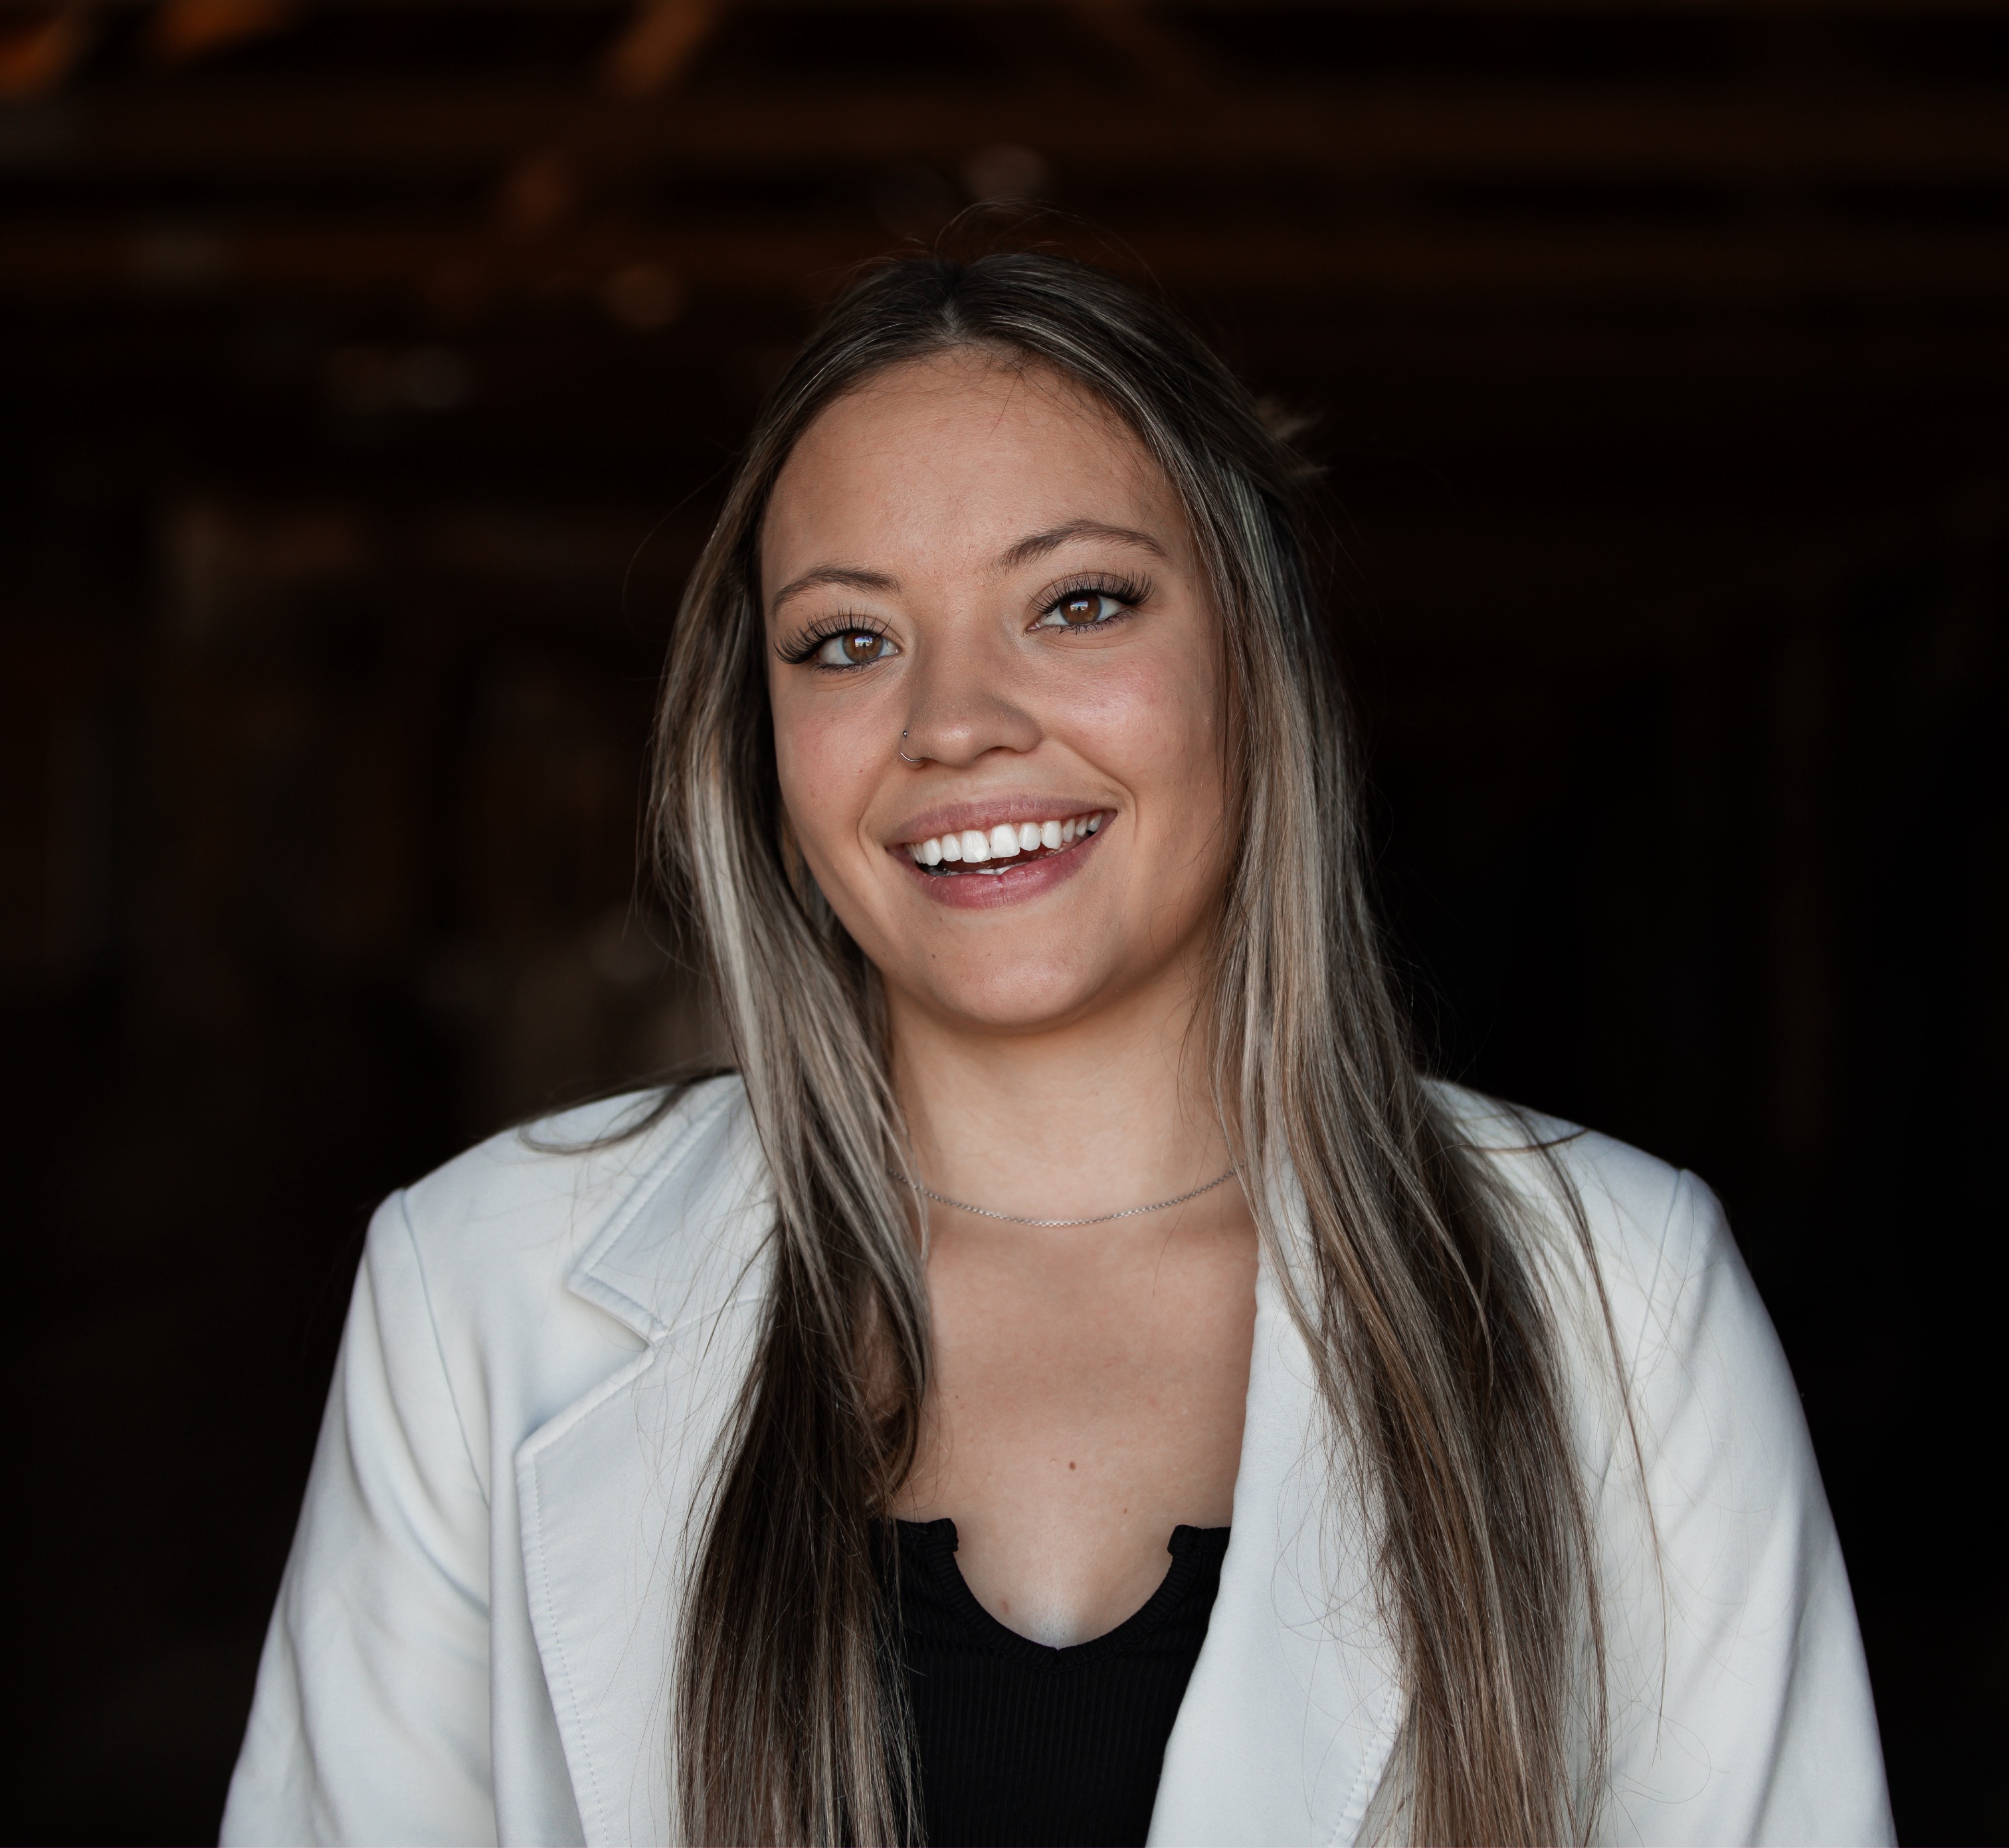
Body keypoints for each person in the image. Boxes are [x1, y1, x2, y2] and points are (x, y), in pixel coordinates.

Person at [221, 250, 1891, 1848]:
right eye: (848, 639)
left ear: (1256, 660)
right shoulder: (475, 1289)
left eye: (1079, 602)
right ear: (766, 743)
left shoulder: (1621, 1294)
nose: (955, 719)